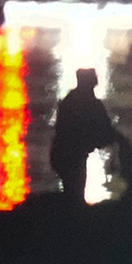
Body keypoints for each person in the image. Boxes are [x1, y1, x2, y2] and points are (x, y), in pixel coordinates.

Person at [50, 68, 118, 203]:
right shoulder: (87, 103)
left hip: (66, 154)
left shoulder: (71, 101)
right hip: (70, 154)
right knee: (75, 191)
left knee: (73, 191)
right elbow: (105, 128)